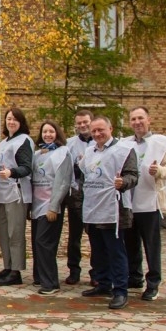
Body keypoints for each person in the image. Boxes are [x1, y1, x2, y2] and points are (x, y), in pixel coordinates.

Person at [80, 116, 139, 310]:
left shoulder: (124, 151)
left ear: (110, 128)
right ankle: (103, 283)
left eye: (101, 130)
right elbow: (85, 176)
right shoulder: (89, 152)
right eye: (94, 131)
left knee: (116, 251)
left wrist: (123, 183)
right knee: (98, 251)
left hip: (114, 209)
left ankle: (120, 290)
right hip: (93, 208)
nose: (97, 134)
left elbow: (132, 175)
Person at [122, 106, 166, 301]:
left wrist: (159, 170)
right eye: (133, 119)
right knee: (131, 243)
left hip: (149, 202)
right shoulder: (125, 144)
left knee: (151, 245)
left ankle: (153, 283)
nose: (137, 122)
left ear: (149, 120)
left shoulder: (161, 143)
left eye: (140, 118)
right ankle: (134, 277)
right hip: (129, 201)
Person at [30, 120, 72, 296]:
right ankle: (40, 276)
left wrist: (54, 207)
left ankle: (51, 282)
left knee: (44, 242)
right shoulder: (38, 154)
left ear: (57, 134)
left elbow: (63, 182)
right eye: (45, 132)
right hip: (37, 205)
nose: (47, 135)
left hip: (51, 206)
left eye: (51, 132)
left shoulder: (63, 153)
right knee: (36, 242)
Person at [0, 107, 34, 286]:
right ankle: (7, 266)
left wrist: (12, 172)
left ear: (21, 122)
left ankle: (16, 271)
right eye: (8, 119)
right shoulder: (3, 143)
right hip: (2, 194)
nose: (11, 122)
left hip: (16, 194)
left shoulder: (24, 141)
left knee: (15, 234)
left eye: (15, 119)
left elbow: (27, 167)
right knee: (2, 232)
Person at [64, 110, 94, 285]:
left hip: (95, 196)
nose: (82, 126)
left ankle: (96, 272)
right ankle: (74, 270)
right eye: (79, 123)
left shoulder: (98, 143)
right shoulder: (70, 144)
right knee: (74, 236)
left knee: (94, 236)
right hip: (76, 195)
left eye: (85, 122)